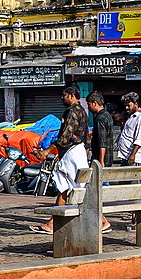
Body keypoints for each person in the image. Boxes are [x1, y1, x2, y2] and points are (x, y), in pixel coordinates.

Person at [39, 84, 90, 233]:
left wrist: (48, 150)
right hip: (78, 152)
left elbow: (65, 137)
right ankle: (53, 222)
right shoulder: (83, 111)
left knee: (71, 186)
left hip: (71, 152)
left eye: (64, 95)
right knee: (68, 185)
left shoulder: (72, 112)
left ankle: (101, 220)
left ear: (71, 95)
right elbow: (86, 136)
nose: (62, 98)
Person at [87, 91, 118, 230]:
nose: (88, 107)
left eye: (89, 104)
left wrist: (101, 161)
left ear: (94, 103)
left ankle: (103, 219)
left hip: (101, 160)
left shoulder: (100, 118)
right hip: (108, 158)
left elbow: (102, 142)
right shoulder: (108, 116)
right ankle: (102, 217)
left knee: (99, 190)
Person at [115, 91, 141, 165]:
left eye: (129, 105)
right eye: (125, 106)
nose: (127, 108)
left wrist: (133, 155)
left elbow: (139, 139)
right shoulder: (131, 117)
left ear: (135, 104)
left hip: (134, 158)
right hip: (126, 156)